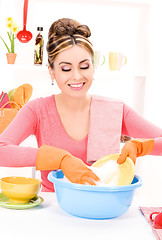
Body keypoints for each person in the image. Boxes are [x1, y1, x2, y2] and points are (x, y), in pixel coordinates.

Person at [0, 18, 162, 192]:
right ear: (51, 71)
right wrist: (60, 158)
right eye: (66, 69)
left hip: (102, 209)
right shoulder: (37, 111)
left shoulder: (116, 111)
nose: (77, 76)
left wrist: (141, 146)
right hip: (54, 210)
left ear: (93, 66)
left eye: (84, 66)